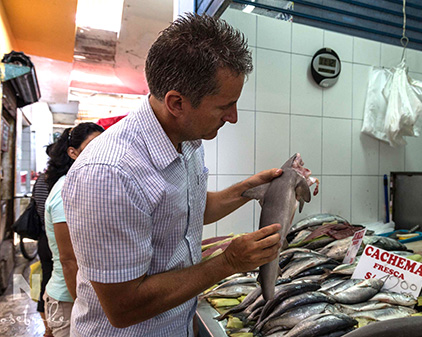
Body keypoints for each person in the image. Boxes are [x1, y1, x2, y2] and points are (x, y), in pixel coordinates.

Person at [62, 14, 282, 337]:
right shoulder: (110, 174)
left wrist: (250, 189)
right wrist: (228, 262)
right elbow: (123, 307)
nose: (233, 118)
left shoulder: (189, 139)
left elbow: (190, 209)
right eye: (225, 106)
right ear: (176, 102)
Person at [43, 123, 104, 337]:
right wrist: (83, 306)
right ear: (72, 153)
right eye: (93, 146)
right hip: (68, 299)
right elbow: (68, 260)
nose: (101, 152)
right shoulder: (64, 191)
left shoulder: (81, 185)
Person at [32, 172, 53, 337]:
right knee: (55, 281)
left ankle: (48, 329)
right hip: (54, 238)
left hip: (43, 238)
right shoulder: (57, 180)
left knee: (46, 280)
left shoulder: (40, 179)